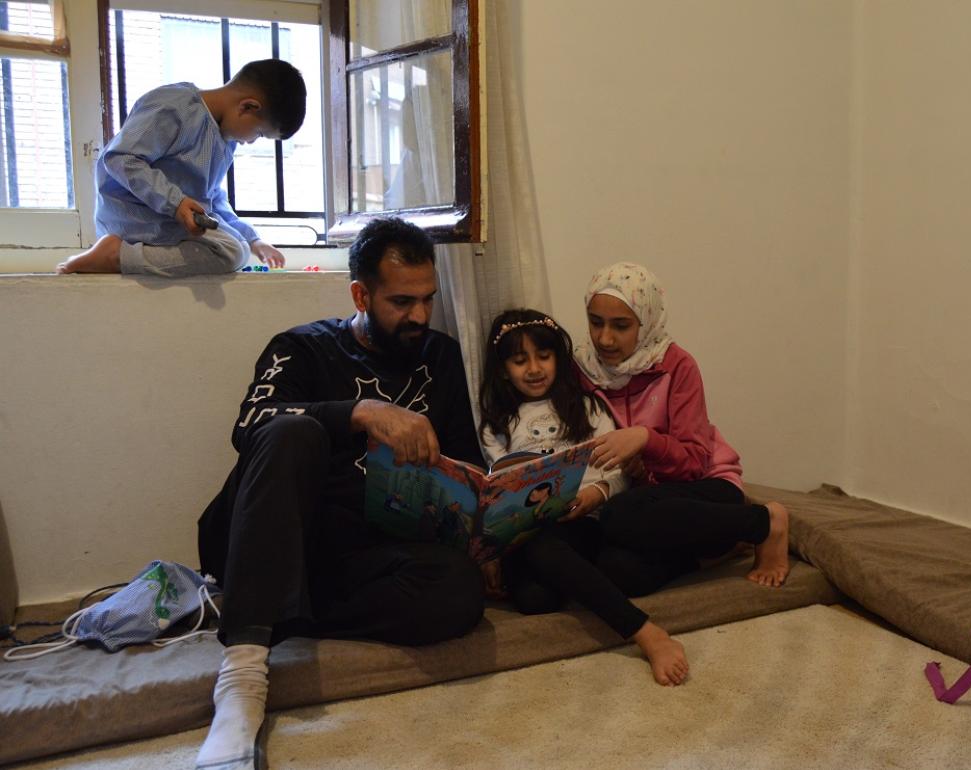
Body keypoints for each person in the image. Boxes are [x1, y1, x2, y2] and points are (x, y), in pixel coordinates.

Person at [193, 217, 486, 770]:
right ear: (360, 293)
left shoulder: (441, 356)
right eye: (401, 301)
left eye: (428, 299)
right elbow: (250, 425)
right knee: (291, 429)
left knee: (457, 592)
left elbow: (467, 459)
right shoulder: (302, 348)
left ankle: (285, 610)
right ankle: (241, 679)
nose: (419, 316)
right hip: (286, 531)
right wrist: (360, 412)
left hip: (364, 551)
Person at [478, 308, 690, 686]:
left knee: (610, 567)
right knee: (533, 599)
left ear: (558, 358)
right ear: (502, 368)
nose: (534, 369)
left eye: (543, 356)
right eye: (519, 360)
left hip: (587, 523)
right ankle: (581, 579)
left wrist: (598, 491)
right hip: (532, 532)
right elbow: (502, 488)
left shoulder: (587, 408)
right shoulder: (497, 425)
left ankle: (644, 631)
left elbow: (620, 472)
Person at [574, 262, 791, 598]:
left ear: (646, 322)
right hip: (645, 501)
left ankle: (764, 522)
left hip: (705, 489)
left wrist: (644, 439)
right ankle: (714, 553)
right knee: (615, 568)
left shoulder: (677, 365)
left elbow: (693, 462)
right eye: (595, 322)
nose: (605, 338)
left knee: (620, 515)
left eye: (621, 326)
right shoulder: (581, 369)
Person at [56, 59, 306, 276]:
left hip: (171, 221)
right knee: (230, 252)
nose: (250, 141)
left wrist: (254, 240)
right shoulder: (175, 107)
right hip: (135, 217)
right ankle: (116, 256)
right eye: (259, 133)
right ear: (248, 107)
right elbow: (121, 158)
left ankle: (121, 255)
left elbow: (212, 199)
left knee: (237, 247)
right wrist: (174, 202)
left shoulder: (224, 141)